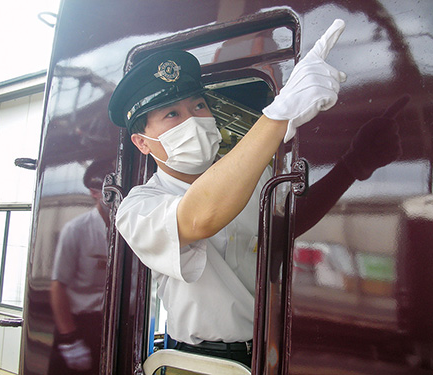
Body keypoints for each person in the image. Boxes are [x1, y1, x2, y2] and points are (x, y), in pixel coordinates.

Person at [108, 19, 402, 367]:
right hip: (200, 364)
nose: (193, 121)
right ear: (142, 143)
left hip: (270, 355)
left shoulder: (252, 176)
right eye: (172, 114)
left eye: (198, 106)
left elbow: (289, 224)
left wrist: (354, 164)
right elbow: (200, 216)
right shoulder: (137, 207)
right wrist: (279, 115)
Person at [48, 160, 112, 374]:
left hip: (116, 324)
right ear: (94, 193)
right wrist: (70, 339)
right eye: (105, 190)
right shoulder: (76, 230)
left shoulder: (130, 229)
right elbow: (58, 286)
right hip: (81, 326)